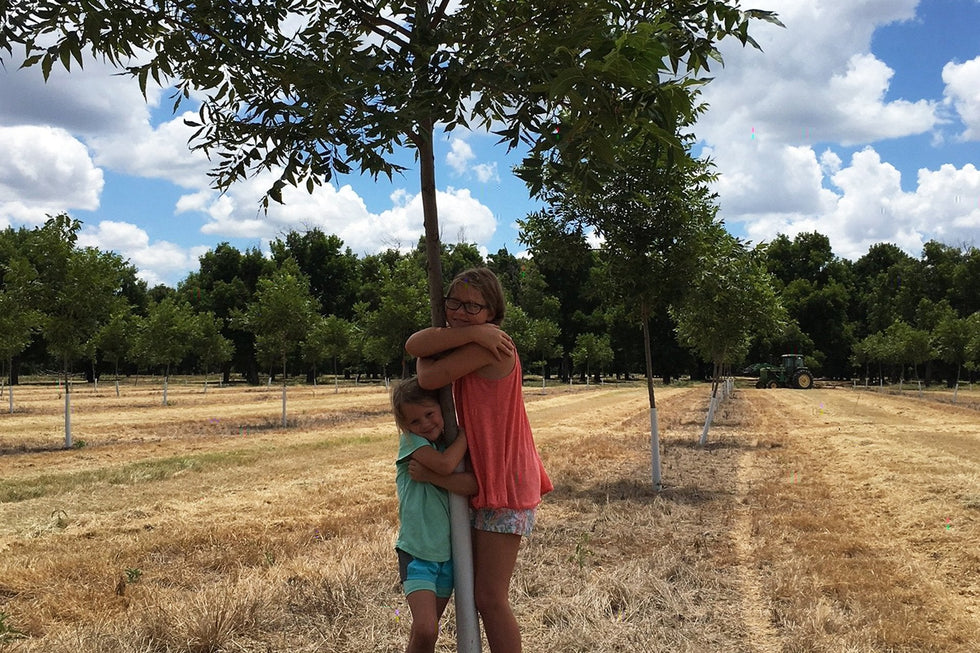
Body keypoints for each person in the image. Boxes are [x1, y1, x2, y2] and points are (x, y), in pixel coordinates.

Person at [405, 267, 553, 653]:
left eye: (473, 306)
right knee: (475, 590)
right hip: (489, 474)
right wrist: (469, 329)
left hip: (505, 476)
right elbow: (414, 344)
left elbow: (428, 377)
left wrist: (465, 337)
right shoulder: (473, 339)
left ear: (493, 311)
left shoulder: (491, 347)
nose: (460, 311)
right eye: (453, 302)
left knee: (489, 596)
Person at [391, 377, 478, 653]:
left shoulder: (446, 445)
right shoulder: (412, 444)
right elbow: (445, 465)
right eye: (415, 421)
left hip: (448, 556)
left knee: (425, 633)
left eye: (430, 414)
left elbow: (472, 484)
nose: (425, 424)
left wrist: (431, 476)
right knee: (427, 628)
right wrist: (465, 436)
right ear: (406, 427)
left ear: (442, 408)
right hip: (417, 552)